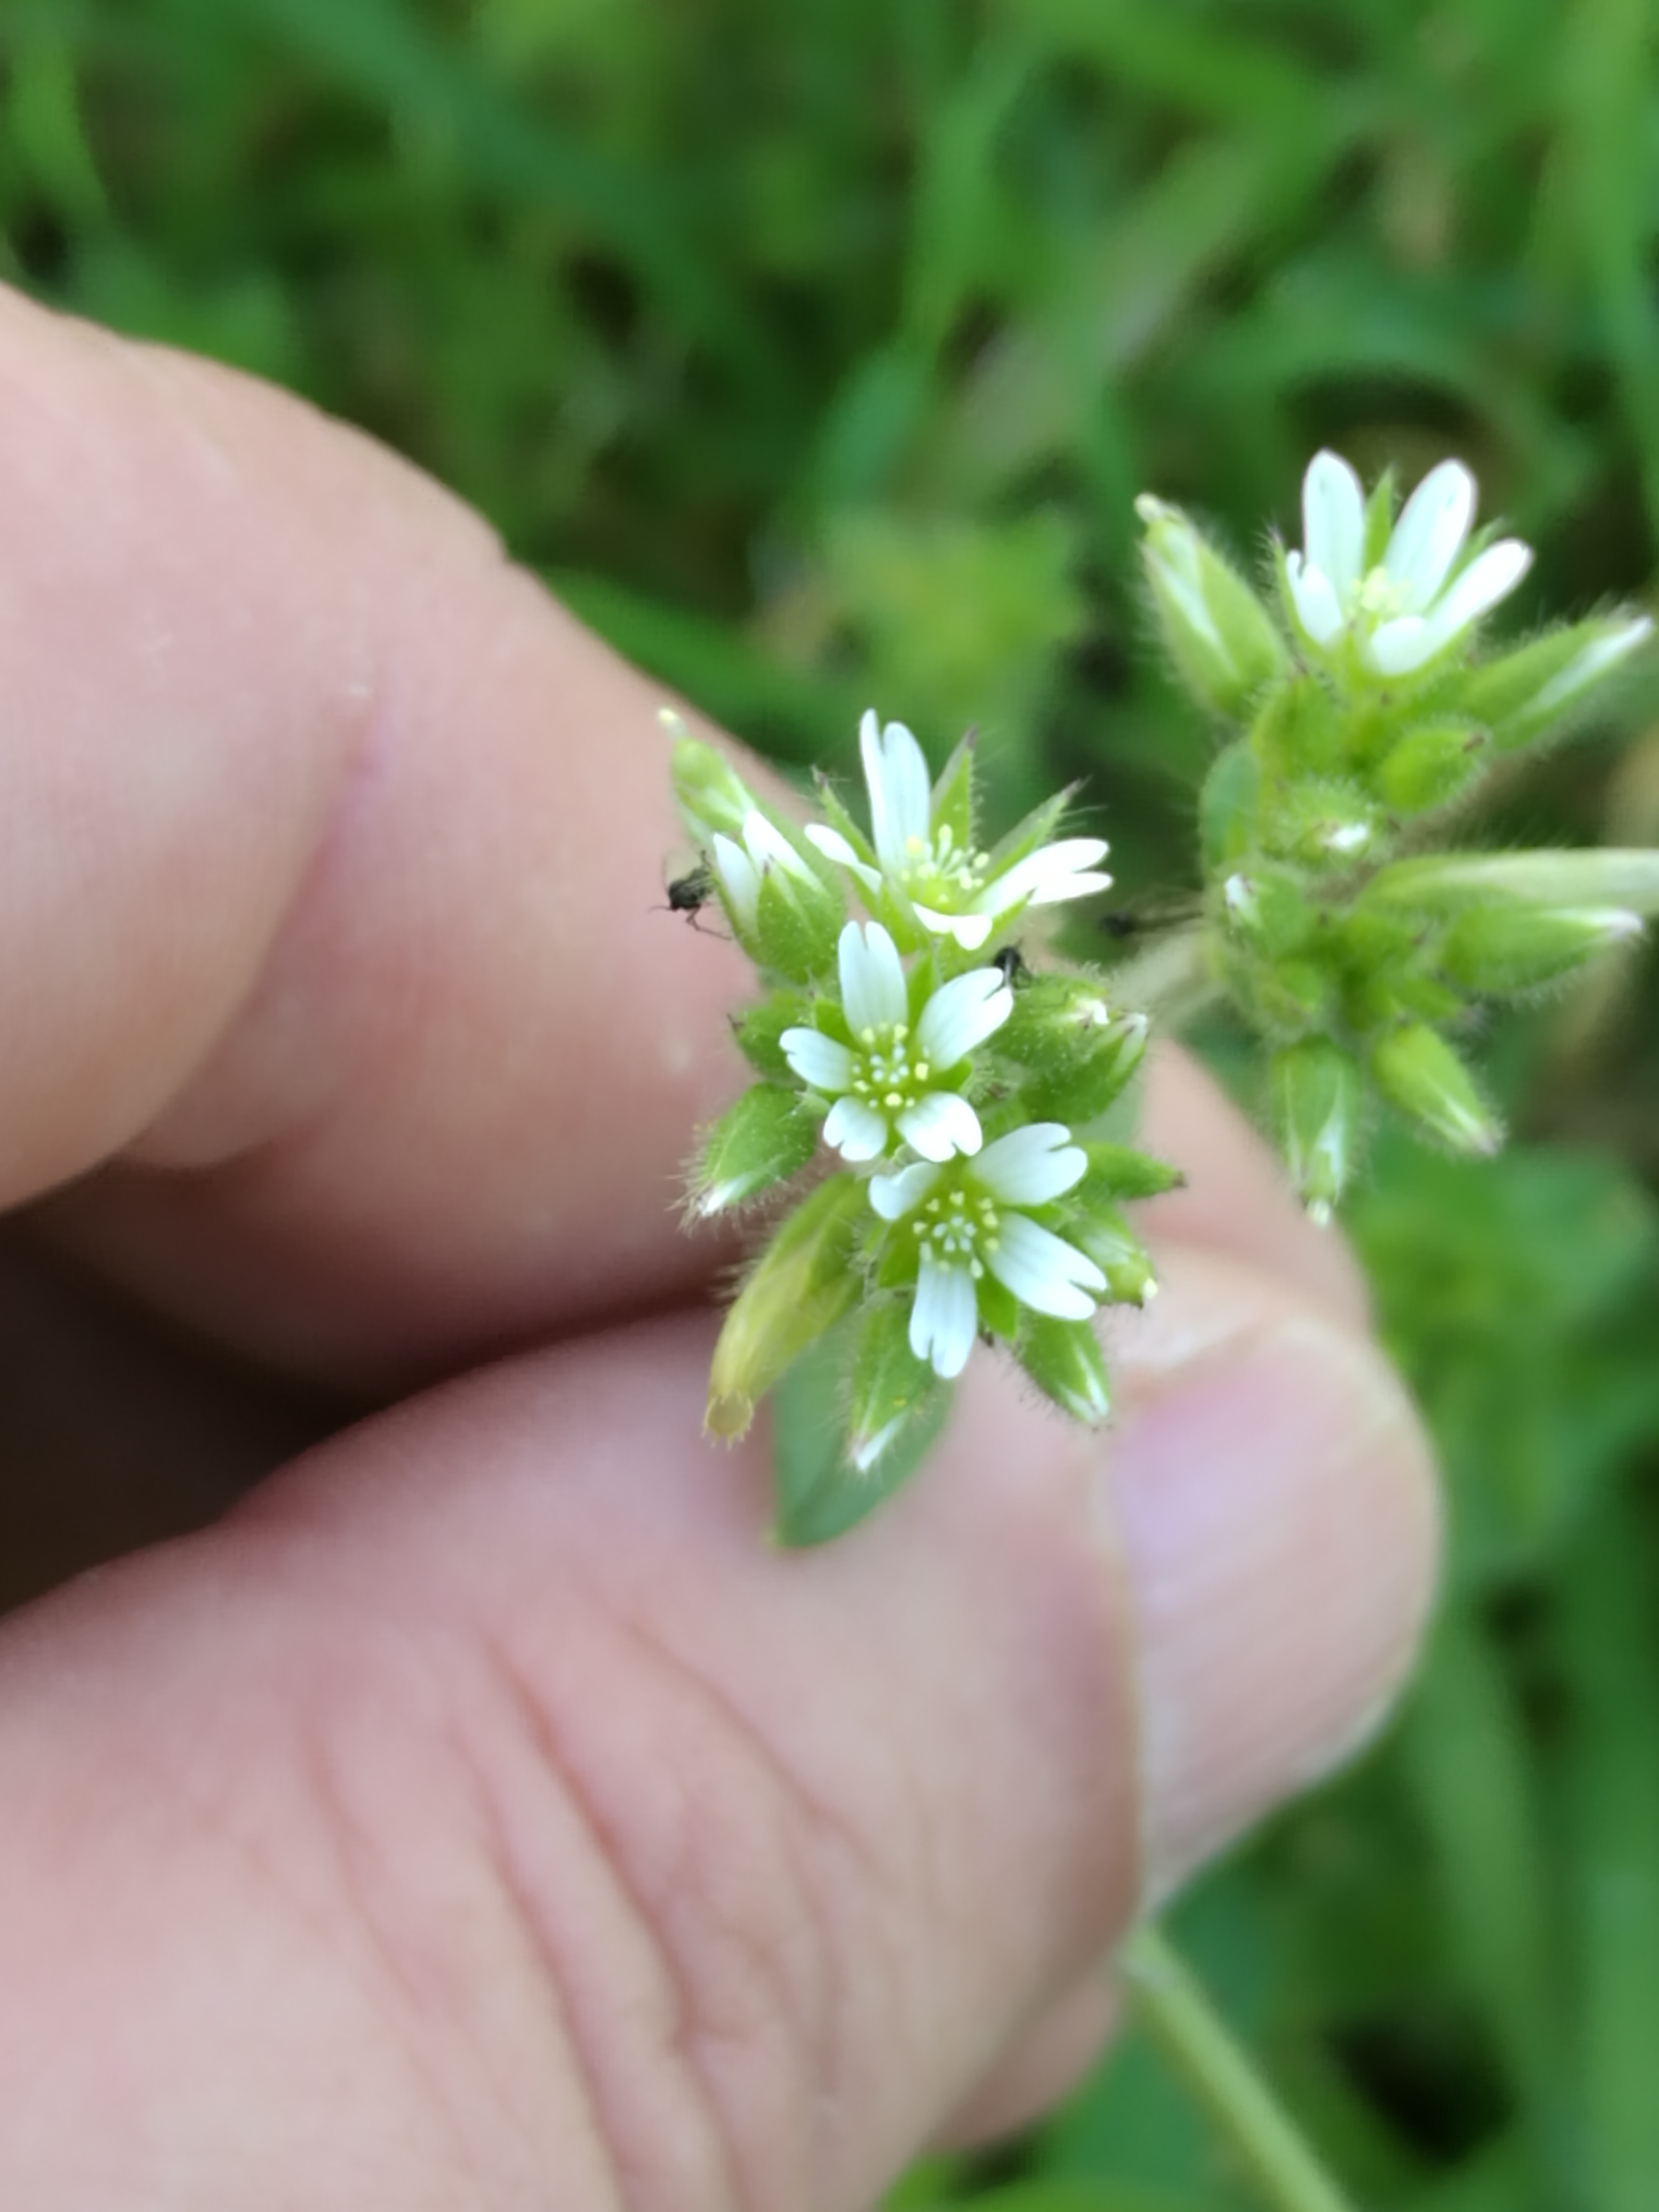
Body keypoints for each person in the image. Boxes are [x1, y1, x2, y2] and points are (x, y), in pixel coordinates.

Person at [0, 283, 1436, 2207]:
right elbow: (905, 1095)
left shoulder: (948, 1112)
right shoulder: (892, 1087)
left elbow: (950, 1115)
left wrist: (939, 1106)